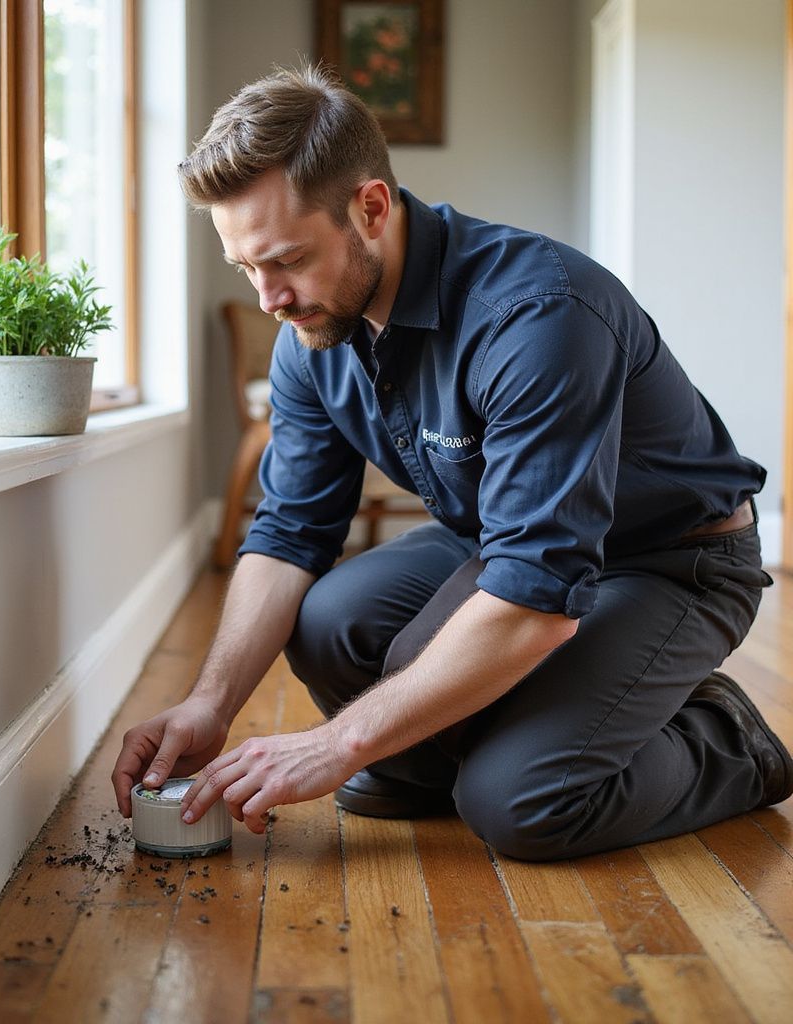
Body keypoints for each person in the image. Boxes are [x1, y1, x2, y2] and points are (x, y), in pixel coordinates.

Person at [111, 65, 791, 861]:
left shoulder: (539, 314)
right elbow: (291, 533)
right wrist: (210, 705)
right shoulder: (317, 332)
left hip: (671, 560)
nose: (270, 299)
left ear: (370, 207)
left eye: (287, 260)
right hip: (503, 542)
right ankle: (473, 746)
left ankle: (724, 737)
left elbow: (537, 596)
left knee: (519, 803)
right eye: (246, 268)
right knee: (331, 622)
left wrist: (340, 745)